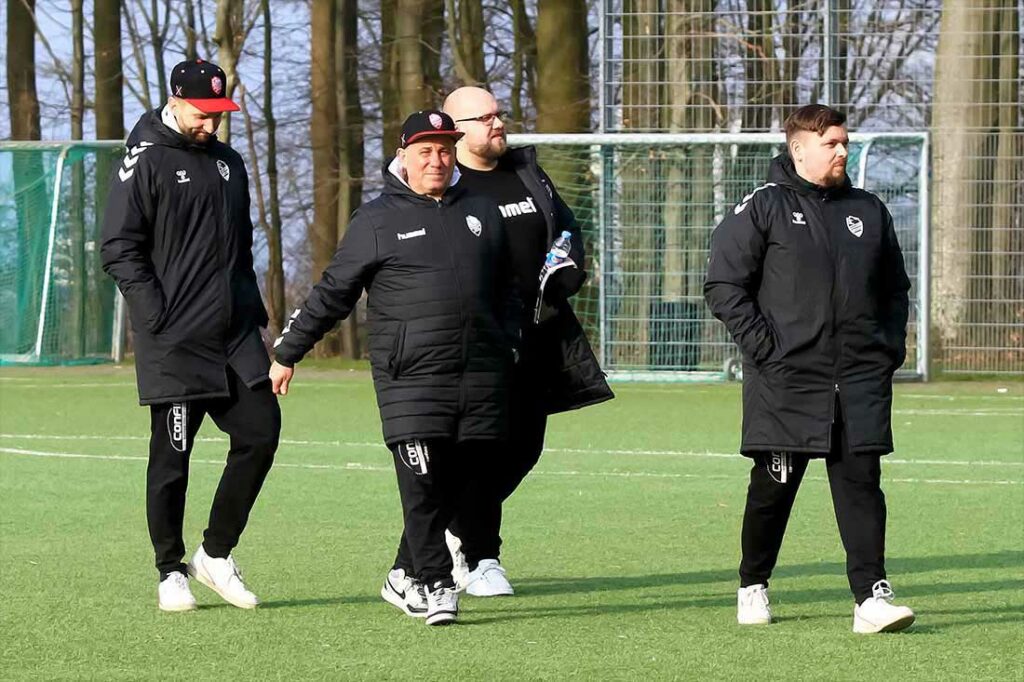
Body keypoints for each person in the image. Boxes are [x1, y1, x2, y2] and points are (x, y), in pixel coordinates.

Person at [269, 110, 518, 626]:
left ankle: (401, 574)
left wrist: (509, 341)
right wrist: (288, 351)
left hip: (479, 374)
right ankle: (435, 582)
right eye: (425, 151)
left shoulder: (482, 211)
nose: (437, 160)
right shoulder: (378, 219)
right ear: (403, 157)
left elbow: (507, 289)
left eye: (445, 150)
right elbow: (333, 292)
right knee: (421, 481)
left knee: (462, 484)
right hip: (411, 376)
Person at [704, 104, 915, 634]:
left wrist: (888, 349)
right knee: (773, 489)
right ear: (798, 149)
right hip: (787, 382)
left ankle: (871, 597)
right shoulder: (763, 207)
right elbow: (724, 287)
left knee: (863, 485)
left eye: (846, 142)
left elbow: (895, 290)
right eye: (832, 144)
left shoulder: (869, 210)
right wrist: (767, 348)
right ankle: (753, 583)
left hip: (860, 380)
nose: (843, 150)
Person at [101, 59, 279, 612]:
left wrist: (253, 310)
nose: (212, 124)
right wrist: (158, 314)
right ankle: (169, 569)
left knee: (261, 432)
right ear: (176, 101)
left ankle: (215, 554)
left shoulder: (229, 163)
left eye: (220, 114)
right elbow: (118, 247)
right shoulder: (145, 159)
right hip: (174, 338)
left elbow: (242, 246)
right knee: (172, 457)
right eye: (204, 114)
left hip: (233, 335)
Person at [441, 87, 613, 597]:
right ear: (455, 130)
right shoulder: (444, 183)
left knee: (524, 448)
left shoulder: (526, 173)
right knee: (481, 448)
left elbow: (567, 229)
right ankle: (481, 555)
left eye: (500, 114)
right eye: (484, 117)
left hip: (537, 337)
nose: (497, 124)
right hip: (476, 341)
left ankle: (456, 529)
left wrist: (567, 264)